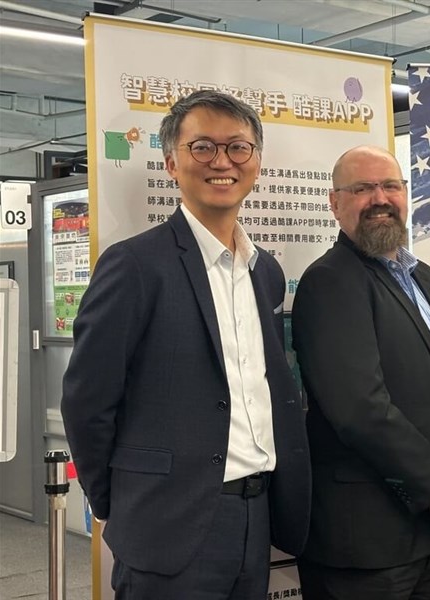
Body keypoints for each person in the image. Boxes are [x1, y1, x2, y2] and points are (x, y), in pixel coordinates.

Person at [61, 90, 311, 600]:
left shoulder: (265, 271)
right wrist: (118, 501)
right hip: (166, 518)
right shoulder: (135, 266)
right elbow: (88, 400)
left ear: (257, 163)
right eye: (202, 148)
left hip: (255, 512)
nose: (222, 162)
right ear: (172, 162)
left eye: (238, 148)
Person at [291, 145, 430, 600]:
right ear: (335, 202)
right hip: (363, 545)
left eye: (390, 186)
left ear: (405, 194)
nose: (379, 198)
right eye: (361, 188)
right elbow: (360, 409)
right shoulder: (330, 281)